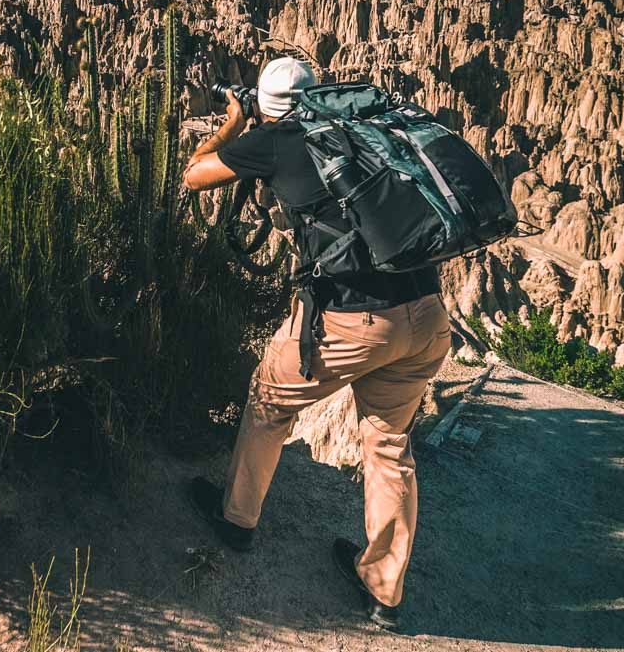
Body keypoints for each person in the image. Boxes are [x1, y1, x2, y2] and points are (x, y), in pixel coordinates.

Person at [181, 57, 452, 631]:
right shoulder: (363, 131)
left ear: (268, 105)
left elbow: (194, 174)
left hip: (352, 319)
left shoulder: (275, 140)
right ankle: (382, 589)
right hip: (428, 315)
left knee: (269, 402)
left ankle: (236, 520)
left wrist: (235, 120)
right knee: (388, 448)